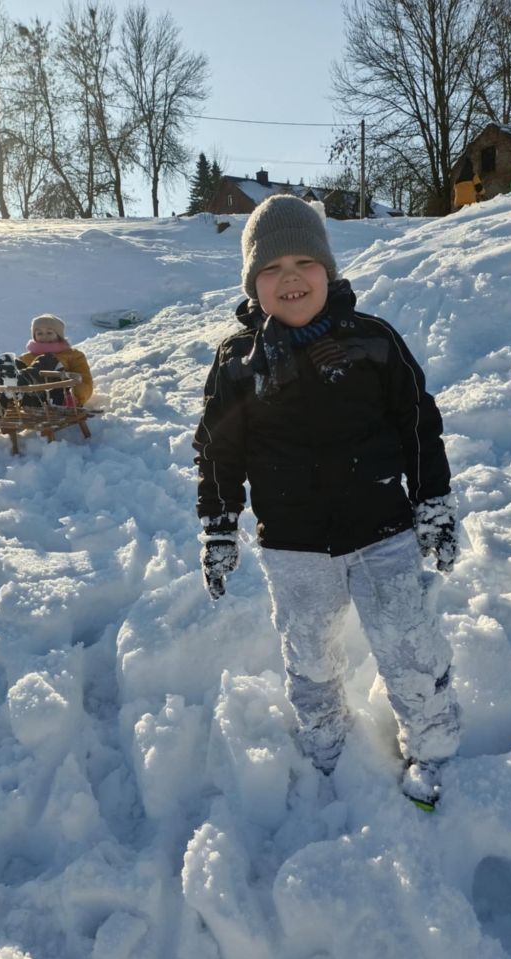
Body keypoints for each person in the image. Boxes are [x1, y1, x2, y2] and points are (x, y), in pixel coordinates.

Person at [193, 195, 460, 810]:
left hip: (383, 531)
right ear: (253, 283)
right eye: (271, 267)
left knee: (409, 645)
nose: (290, 278)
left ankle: (433, 747)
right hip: (295, 547)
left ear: (328, 270)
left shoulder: (373, 342)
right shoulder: (239, 363)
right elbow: (218, 451)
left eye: (304, 262)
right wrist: (220, 526)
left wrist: (433, 505)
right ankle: (327, 745)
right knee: (309, 655)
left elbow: (418, 426)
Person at [0, 313, 93, 415]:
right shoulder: (27, 357)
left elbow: (85, 380)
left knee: (48, 359)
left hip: (56, 398)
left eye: (49, 333)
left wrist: (76, 397)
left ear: (59, 335)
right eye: (39, 333)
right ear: (34, 336)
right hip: (31, 400)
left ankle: (19, 382)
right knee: (13, 364)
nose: (44, 337)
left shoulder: (73, 355)